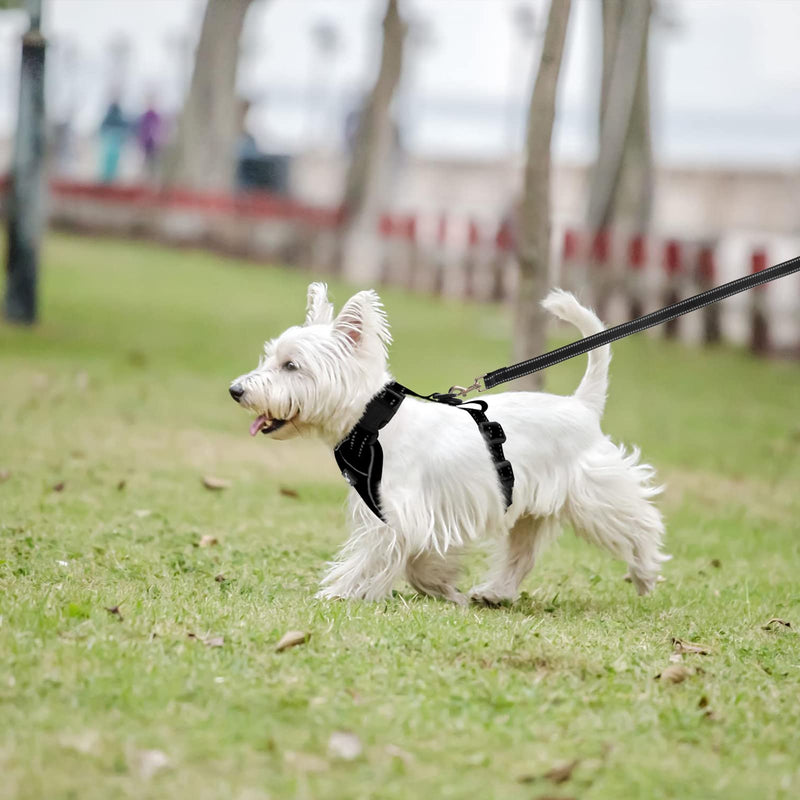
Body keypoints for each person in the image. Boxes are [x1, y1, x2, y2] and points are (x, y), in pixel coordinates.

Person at [98, 98, 128, 183]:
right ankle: (106, 177)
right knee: (107, 160)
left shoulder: (119, 115)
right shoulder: (109, 115)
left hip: (115, 138)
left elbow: (123, 127)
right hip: (110, 138)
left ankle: (111, 178)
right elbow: (103, 126)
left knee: (112, 161)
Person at [137, 97, 163, 181]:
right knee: (145, 164)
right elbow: (141, 130)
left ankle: (153, 180)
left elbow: (160, 130)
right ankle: (143, 180)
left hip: (154, 145)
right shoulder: (144, 116)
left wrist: (157, 139)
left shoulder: (156, 117)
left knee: (154, 164)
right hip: (146, 144)